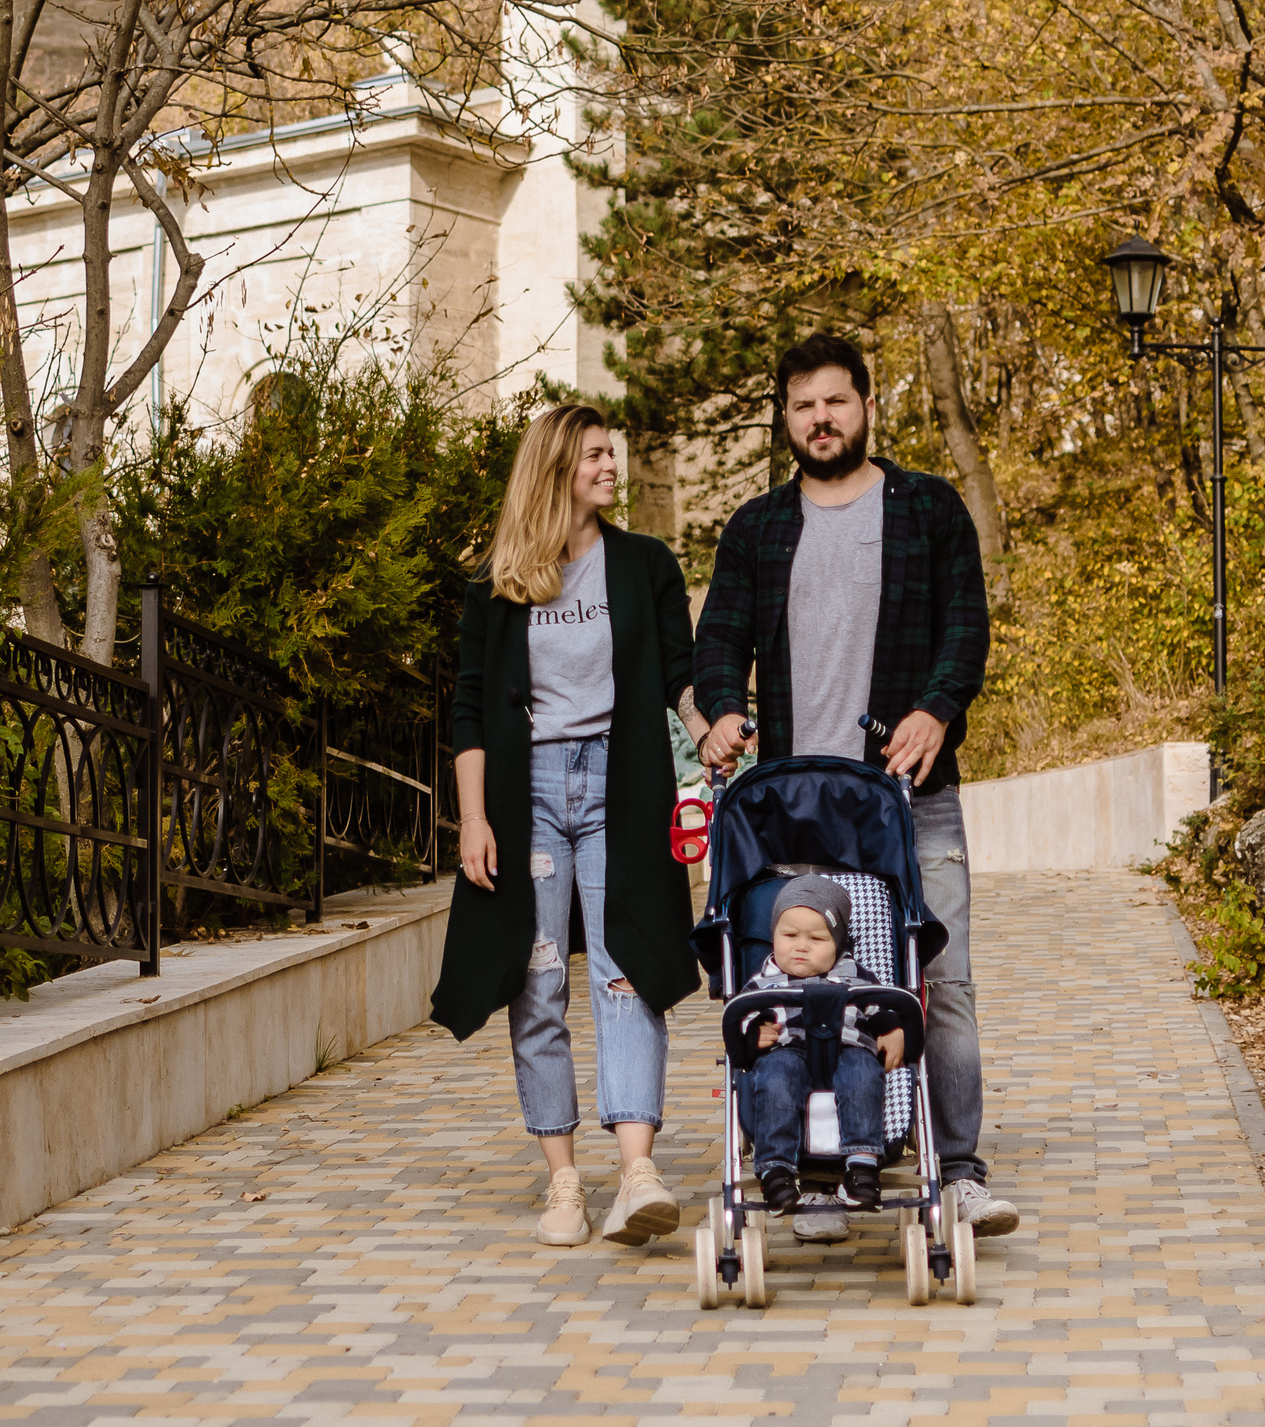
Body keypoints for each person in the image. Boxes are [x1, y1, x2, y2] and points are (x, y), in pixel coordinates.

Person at [695, 333, 1019, 1243]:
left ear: (866, 406)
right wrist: (721, 710)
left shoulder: (927, 509)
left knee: (937, 983)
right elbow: (717, 641)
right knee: (797, 994)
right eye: (803, 406)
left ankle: (958, 1173)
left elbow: (966, 625)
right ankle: (816, 1171)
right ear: (787, 418)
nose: (821, 419)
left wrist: (937, 709)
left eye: (836, 402)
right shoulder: (756, 528)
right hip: (795, 809)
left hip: (912, 794)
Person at [431, 403, 704, 1249]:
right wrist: (473, 819)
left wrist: (713, 732)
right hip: (528, 794)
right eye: (594, 454)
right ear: (555, 468)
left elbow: (680, 678)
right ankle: (561, 1182)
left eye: (612, 452)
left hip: (622, 783)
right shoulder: (497, 582)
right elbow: (471, 708)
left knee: (626, 969)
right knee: (536, 980)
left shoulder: (643, 564)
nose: (611, 465)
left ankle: (637, 1174)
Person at [737, 876, 903, 1216]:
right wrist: (753, 1034)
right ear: (773, 936)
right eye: (789, 935)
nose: (801, 946)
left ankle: (862, 1165)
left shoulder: (855, 975)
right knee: (775, 1075)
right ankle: (776, 1169)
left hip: (847, 1049)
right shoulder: (762, 981)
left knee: (863, 1071)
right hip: (787, 1051)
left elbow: (880, 1007)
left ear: (838, 943)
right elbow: (741, 1017)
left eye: (816, 938)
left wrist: (894, 1029)